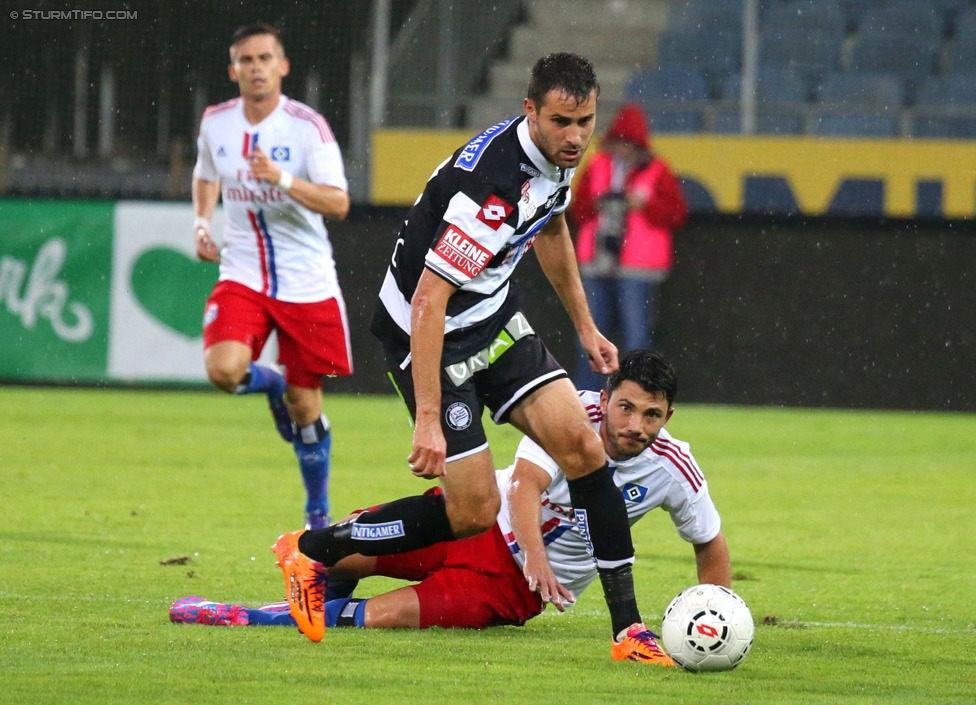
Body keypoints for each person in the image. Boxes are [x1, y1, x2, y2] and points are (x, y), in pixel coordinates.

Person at [271, 53, 642, 646]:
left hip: (491, 316)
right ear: (531, 111)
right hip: (429, 332)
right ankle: (313, 550)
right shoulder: (494, 191)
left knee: (584, 449)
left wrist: (586, 326)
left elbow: (550, 226)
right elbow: (428, 299)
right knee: (472, 510)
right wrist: (427, 421)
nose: (575, 137)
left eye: (585, 122)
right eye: (561, 123)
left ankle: (630, 634)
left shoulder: (553, 158)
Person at [171, 350, 731, 667]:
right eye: (626, 407)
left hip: (509, 590)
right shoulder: (569, 414)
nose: (635, 425)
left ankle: (252, 615)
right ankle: (304, 583)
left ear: (668, 417)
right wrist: (536, 553)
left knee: (384, 617)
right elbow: (524, 486)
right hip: (478, 524)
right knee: (349, 555)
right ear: (604, 400)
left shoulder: (673, 468)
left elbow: (708, 540)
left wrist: (718, 611)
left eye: (651, 415)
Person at [192, 23, 352, 530]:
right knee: (223, 371)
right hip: (242, 269)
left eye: (265, 58)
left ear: (282, 66)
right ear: (233, 70)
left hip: (306, 279)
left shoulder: (308, 127)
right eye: (246, 60)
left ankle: (317, 512)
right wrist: (201, 221)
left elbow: (339, 202)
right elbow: (205, 172)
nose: (256, 68)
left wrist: (281, 178)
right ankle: (269, 382)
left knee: (306, 409)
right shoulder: (216, 123)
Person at [570, 103, 687, 391]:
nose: (621, 151)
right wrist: (599, 204)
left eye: (628, 145)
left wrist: (645, 205)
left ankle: (636, 394)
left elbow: (676, 213)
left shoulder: (657, 170)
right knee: (590, 336)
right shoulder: (598, 165)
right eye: (617, 144)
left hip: (637, 267)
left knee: (637, 338)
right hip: (597, 262)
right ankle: (586, 396)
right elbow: (577, 209)